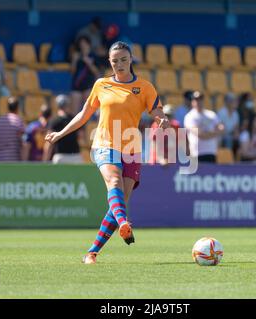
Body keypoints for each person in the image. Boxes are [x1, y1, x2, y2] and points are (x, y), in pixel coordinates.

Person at [45, 41, 169, 264]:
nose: (119, 64)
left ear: (131, 59)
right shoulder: (101, 84)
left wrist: (161, 119)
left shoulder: (144, 87)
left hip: (131, 148)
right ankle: (124, 223)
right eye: (114, 61)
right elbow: (83, 115)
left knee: (119, 203)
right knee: (114, 182)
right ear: (109, 63)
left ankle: (91, 252)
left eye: (123, 59)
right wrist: (60, 133)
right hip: (104, 143)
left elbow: (156, 110)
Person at [184, 91, 224, 163]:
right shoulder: (189, 116)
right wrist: (215, 133)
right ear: (192, 101)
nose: (198, 102)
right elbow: (200, 134)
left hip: (211, 152)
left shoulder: (211, 114)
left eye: (200, 100)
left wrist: (208, 134)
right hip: (196, 153)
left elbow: (221, 128)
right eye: (196, 100)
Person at [44, 95, 84, 164]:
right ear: (68, 105)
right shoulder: (74, 119)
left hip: (60, 156)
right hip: (75, 155)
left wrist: (45, 160)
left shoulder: (54, 121)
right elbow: (81, 136)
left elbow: (49, 141)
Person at [70, 36, 101, 113]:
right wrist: (74, 60)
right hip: (77, 85)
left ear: (89, 44)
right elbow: (72, 71)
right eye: (81, 45)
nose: (83, 46)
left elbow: (97, 72)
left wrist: (89, 63)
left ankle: (86, 125)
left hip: (88, 86)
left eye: (84, 44)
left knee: (87, 111)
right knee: (74, 112)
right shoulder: (77, 56)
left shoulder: (93, 56)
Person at [0, 97, 25, 162]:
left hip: (1, 159)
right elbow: (22, 143)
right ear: (17, 108)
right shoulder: (18, 121)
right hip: (15, 161)